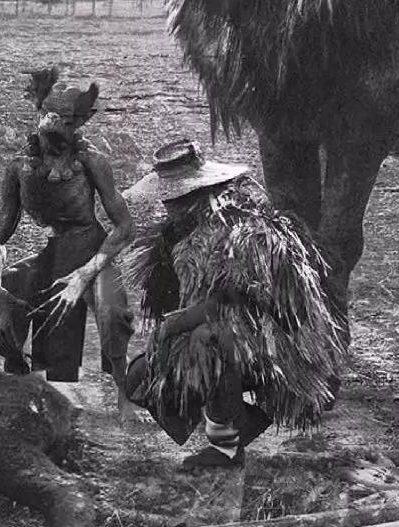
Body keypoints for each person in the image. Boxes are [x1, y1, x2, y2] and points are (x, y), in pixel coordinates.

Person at [117, 139, 345, 470]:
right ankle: (240, 421)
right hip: (231, 330)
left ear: (193, 193)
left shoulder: (237, 232)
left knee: (206, 343)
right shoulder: (184, 231)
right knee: (139, 377)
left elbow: (228, 301)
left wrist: (176, 325)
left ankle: (226, 448)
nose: (167, 204)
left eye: (173, 196)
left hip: (270, 340)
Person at [0, 68, 137, 420]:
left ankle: (124, 394)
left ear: (78, 125)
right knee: (7, 297)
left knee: (112, 313)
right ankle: (21, 382)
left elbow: (125, 227)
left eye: (69, 122)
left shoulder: (92, 162)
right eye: (53, 118)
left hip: (93, 249)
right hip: (54, 253)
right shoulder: (20, 168)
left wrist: (86, 273)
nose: (60, 128)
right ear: (39, 116)